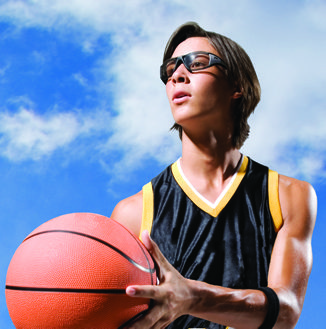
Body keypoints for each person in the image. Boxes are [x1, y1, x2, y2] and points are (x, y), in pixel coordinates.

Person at [111, 22, 317, 329]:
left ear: (238, 87)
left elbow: (286, 311)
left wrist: (193, 297)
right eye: (170, 70)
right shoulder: (133, 213)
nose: (177, 76)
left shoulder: (287, 195)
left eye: (197, 64)